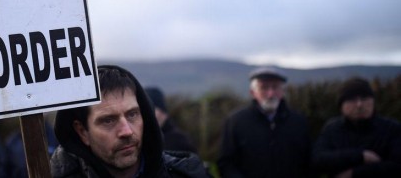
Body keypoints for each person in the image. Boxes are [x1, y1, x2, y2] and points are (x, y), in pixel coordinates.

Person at [50, 65, 209, 178]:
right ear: (83, 132)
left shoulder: (187, 172)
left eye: (132, 115)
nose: (127, 131)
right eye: (108, 120)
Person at [218, 67, 312, 178]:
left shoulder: (298, 122)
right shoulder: (235, 122)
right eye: (264, 88)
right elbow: (226, 163)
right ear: (253, 93)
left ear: (282, 92)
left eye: (275, 87)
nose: (270, 94)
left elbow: (309, 162)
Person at [312, 77, 401, 177]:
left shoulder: (391, 128)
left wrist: (353, 174)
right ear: (341, 105)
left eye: (364, 98)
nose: (359, 104)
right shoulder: (332, 129)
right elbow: (318, 159)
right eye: (352, 100)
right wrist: (360, 156)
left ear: (373, 102)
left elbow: (397, 165)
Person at [145, 87, 197, 153]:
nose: (147, 114)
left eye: (151, 109)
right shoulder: (150, 139)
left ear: (162, 110)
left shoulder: (180, 141)